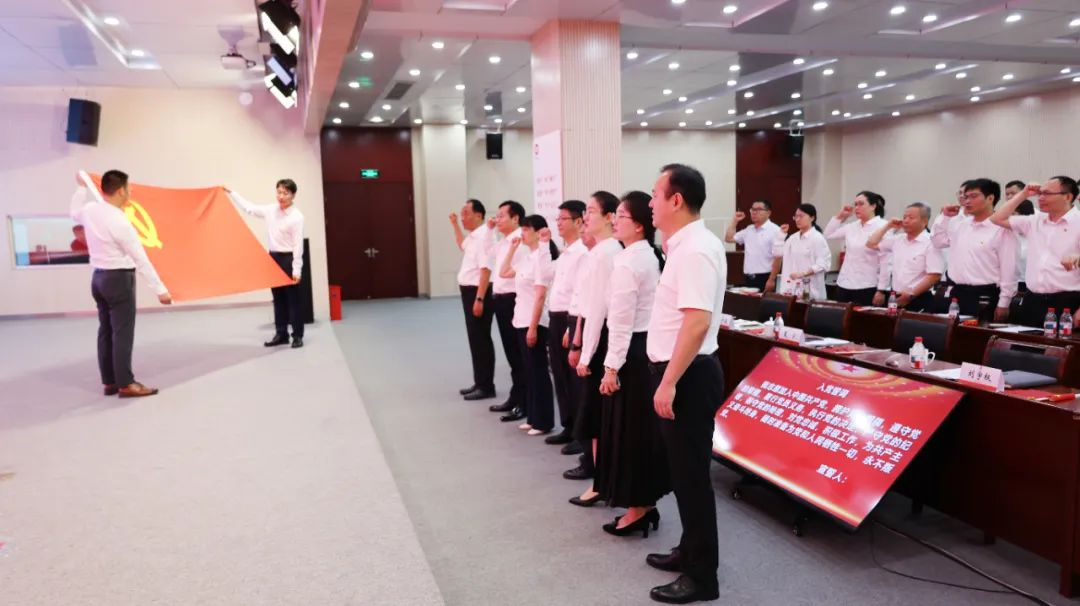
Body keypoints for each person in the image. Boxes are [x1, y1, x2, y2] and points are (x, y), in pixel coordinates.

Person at [645, 164, 726, 604]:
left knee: (692, 478)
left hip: (687, 376)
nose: (650, 203)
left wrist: (669, 381)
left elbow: (696, 323)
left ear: (676, 200)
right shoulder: (684, 246)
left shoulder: (694, 250)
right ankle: (689, 549)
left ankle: (701, 577)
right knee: (683, 473)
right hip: (682, 372)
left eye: (655, 194)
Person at [594, 191, 668, 538]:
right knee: (639, 431)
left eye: (620, 216)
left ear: (638, 225)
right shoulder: (647, 255)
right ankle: (644, 504)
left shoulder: (628, 262)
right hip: (643, 351)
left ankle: (638, 508)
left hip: (629, 355)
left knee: (629, 433)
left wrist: (610, 369)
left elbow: (621, 322)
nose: (614, 221)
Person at [71, 170, 172, 398]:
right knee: (122, 333)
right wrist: (160, 290)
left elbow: (74, 212)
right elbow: (140, 259)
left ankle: (110, 381)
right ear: (120, 191)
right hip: (118, 280)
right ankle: (126, 384)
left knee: (106, 330)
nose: (131, 191)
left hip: (98, 279)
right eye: (129, 187)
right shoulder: (120, 221)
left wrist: (80, 188)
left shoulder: (90, 210)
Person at [568, 191, 622, 506]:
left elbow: (598, 312)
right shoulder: (602, 251)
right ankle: (602, 480)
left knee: (598, 417)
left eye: (591, 211)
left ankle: (602, 482)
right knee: (596, 417)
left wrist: (585, 354)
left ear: (610, 217)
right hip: (597, 336)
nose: (585, 217)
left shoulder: (606, 253)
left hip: (601, 340)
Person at [990, 176, 1080, 327]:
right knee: (1026, 341)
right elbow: (996, 218)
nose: (1041, 198)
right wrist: (1023, 194)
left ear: (1068, 197)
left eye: (1047, 193)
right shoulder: (1034, 221)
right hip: (1033, 300)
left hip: (1068, 301)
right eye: (1040, 193)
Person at [227, 180, 306, 348]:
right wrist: (232, 193)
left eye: (285, 193)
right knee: (278, 299)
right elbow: (249, 208)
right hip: (273, 258)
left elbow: (298, 245)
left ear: (293, 195)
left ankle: (297, 336)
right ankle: (281, 334)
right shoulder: (271, 210)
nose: (281, 196)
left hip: (288, 259)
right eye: (279, 192)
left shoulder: (297, 217)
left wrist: (297, 269)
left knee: (293, 301)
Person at [536, 200, 588, 446]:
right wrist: (544, 244)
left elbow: (581, 292)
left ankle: (579, 432)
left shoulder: (582, 252)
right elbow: (545, 274)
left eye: (562, 219)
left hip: (570, 320)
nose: (558, 223)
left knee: (574, 379)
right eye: (557, 219)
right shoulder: (567, 251)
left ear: (578, 222)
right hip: (556, 319)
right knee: (559, 374)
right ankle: (568, 425)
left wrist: (571, 327)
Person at [500, 215, 558, 435]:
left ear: (538, 232)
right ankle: (533, 417)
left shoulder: (542, 260)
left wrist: (533, 327)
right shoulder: (526, 258)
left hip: (535, 321)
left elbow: (540, 296)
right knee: (528, 371)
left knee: (538, 371)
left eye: (526, 230)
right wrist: (512, 248)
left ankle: (543, 421)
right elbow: (503, 272)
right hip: (520, 319)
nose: (522, 233)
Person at [930, 178, 1017, 320]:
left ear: (990, 198)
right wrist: (944, 217)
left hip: (986, 295)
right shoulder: (961, 225)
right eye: (965, 197)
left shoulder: (1002, 229)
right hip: (957, 292)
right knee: (953, 332)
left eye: (973, 196)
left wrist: (1004, 302)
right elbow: (938, 241)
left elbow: (1009, 269)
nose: (967, 201)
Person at [486, 200, 529, 421]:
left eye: (502, 215)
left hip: (513, 300)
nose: (497, 219)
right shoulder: (505, 241)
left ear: (515, 218)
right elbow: (489, 252)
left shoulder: (520, 240)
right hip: (501, 301)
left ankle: (524, 401)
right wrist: (490, 231)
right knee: (512, 353)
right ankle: (516, 396)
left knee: (518, 354)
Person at [450, 199, 496, 401]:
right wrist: (455, 225)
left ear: (479, 215)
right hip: (470, 292)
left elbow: (486, 269)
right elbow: (461, 245)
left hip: (478, 292)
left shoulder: (485, 236)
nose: (463, 217)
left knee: (481, 339)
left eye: (466, 213)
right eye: (461, 214)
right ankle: (479, 382)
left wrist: (479, 298)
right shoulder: (474, 236)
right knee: (475, 339)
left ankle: (486, 386)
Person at [866, 203, 945, 312]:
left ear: (925, 221)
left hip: (918, 297)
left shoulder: (931, 242)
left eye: (911, 218)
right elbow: (871, 243)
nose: (906, 221)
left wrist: (911, 294)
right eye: (904, 217)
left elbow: (934, 275)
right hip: (895, 296)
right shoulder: (898, 240)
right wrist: (888, 226)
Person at [824, 191, 890, 306]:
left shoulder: (883, 226)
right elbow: (828, 235)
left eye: (861, 204)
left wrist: (882, 290)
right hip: (844, 283)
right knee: (841, 316)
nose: (857, 208)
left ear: (873, 206)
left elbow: (886, 262)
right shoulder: (852, 226)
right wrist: (840, 216)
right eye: (855, 204)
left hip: (868, 285)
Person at [771, 204, 830, 301]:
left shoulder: (817, 238)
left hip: (811, 292)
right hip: (790, 289)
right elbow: (777, 253)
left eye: (801, 216)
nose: (797, 219)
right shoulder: (793, 238)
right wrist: (781, 236)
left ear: (812, 218)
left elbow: (823, 264)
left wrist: (802, 274)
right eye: (796, 216)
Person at [723, 200, 779, 291]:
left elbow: (778, 258)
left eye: (758, 209)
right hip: (748, 277)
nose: (754, 212)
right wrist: (735, 221)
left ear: (768, 213)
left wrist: (771, 279)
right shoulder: (749, 229)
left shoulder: (775, 231)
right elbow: (728, 238)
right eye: (752, 209)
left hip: (765, 277)